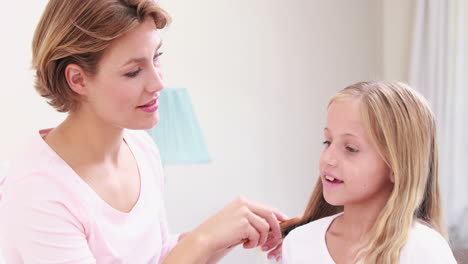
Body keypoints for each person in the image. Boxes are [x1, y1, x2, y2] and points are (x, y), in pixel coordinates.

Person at [0, 0, 285, 263]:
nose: (158, 83)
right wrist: (203, 239)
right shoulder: (39, 191)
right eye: (133, 72)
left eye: (156, 56)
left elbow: (156, 257)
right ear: (78, 79)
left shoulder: (139, 146)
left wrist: (228, 233)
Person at [281, 82, 457, 263]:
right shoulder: (299, 243)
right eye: (327, 142)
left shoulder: (424, 250)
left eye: (350, 148)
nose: (328, 159)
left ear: (397, 167)